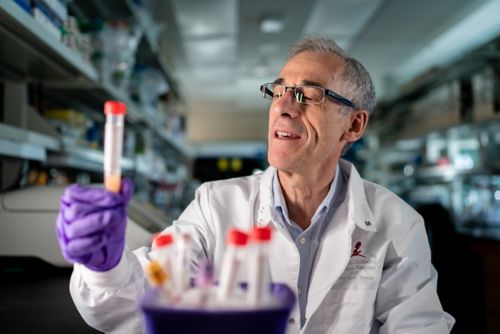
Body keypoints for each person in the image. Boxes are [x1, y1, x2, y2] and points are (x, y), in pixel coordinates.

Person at [56, 36, 455, 333]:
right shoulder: (216, 206)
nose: (283, 105)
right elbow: (135, 308)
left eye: (308, 95)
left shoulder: (397, 224)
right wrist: (104, 267)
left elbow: (419, 329)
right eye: (279, 90)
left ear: (354, 124)